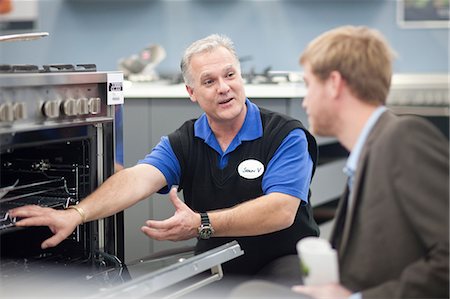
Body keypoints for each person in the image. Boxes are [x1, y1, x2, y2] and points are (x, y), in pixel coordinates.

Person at [9, 34, 319, 279]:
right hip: (218, 260)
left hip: (285, 261)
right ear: (191, 92)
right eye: (209, 81)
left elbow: (281, 210)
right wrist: (76, 214)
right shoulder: (185, 140)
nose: (224, 88)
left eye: (230, 75)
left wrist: (202, 223)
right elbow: (137, 178)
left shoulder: (285, 134)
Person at [230, 26, 449, 298]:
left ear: (334, 83)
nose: (305, 99)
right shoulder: (369, 154)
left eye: (309, 85)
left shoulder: (402, 138)